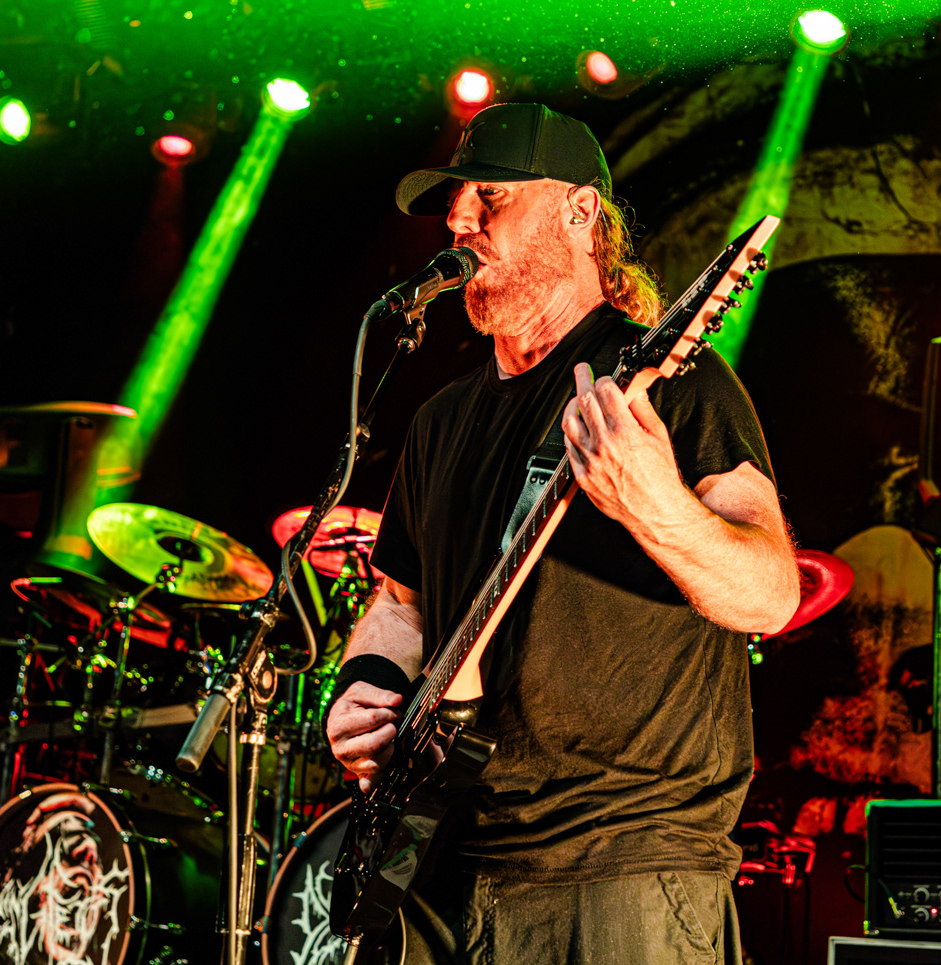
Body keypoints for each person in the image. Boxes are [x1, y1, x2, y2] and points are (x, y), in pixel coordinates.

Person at [325, 102, 799, 964]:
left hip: (624, 866)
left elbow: (769, 592)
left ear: (581, 213)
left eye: (491, 198)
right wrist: (365, 684)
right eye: (455, 203)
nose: (460, 221)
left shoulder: (673, 384)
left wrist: (655, 503)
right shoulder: (439, 422)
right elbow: (399, 606)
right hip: (444, 865)